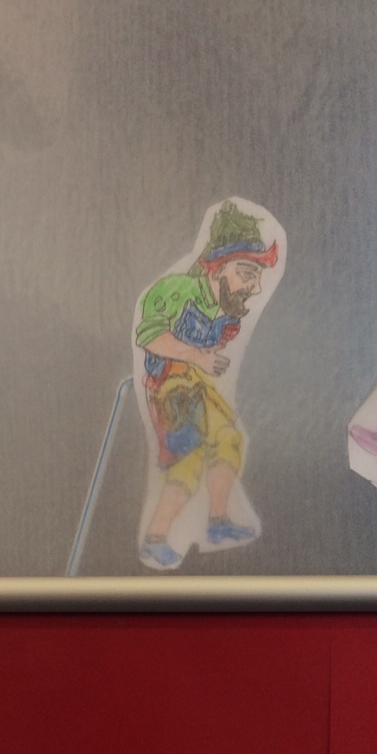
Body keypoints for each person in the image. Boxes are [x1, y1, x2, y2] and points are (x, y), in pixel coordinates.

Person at [135, 200, 279, 568]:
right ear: (217, 267)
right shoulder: (176, 289)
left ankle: (217, 521)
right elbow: (149, 336)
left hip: (197, 383)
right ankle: (155, 538)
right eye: (246, 273)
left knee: (229, 438)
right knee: (189, 457)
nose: (254, 286)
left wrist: (208, 357)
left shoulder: (225, 310)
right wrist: (198, 356)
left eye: (257, 276)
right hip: (170, 386)